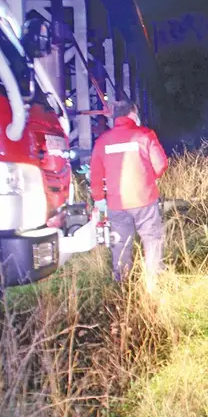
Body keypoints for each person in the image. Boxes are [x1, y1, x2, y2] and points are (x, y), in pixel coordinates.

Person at [90, 100, 168, 289]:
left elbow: (96, 174)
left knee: (120, 242)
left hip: (116, 202)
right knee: (151, 238)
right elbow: (161, 164)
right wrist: (149, 178)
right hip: (144, 199)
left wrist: (99, 199)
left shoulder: (102, 141)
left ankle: (122, 282)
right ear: (133, 114)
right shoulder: (145, 135)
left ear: (116, 117)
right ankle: (153, 281)